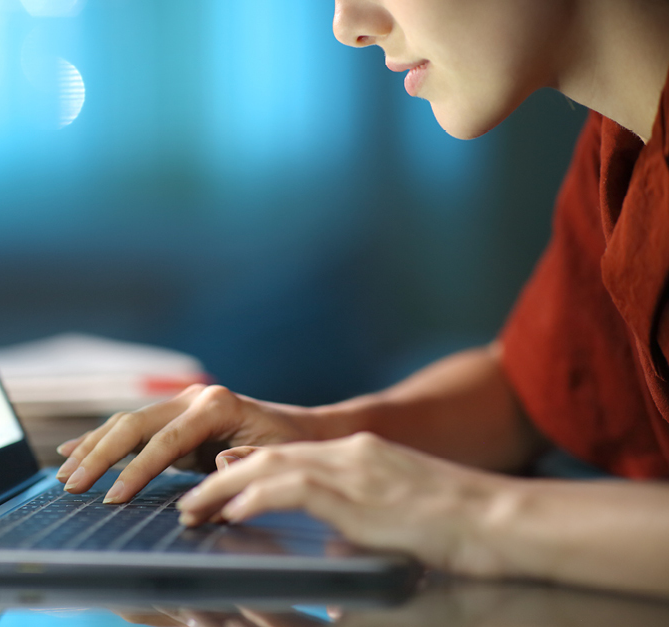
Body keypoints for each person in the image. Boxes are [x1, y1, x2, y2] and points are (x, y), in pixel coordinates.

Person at [55, 0, 669, 598]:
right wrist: (315, 436)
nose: (348, 26)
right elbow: (538, 389)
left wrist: (471, 514)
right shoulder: (620, 147)